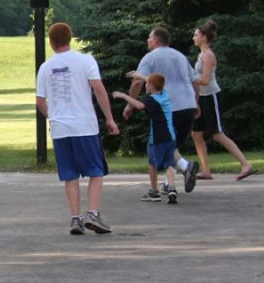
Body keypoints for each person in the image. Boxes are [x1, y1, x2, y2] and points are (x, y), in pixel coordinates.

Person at [36, 22, 120, 235]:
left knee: (70, 175)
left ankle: (75, 217)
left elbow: (40, 101)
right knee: (96, 171)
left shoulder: (46, 67)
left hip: (60, 129)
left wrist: (53, 117)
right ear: (70, 38)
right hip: (84, 125)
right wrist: (110, 118)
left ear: (51, 41)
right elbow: (99, 90)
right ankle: (93, 212)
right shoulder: (85, 60)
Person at [123, 26, 201, 193]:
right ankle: (168, 183)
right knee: (172, 144)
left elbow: (137, 81)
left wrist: (130, 105)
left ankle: (186, 167)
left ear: (156, 40)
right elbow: (194, 81)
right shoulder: (180, 56)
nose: (148, 40)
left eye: (150, 38)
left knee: (165, 144)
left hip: (168, 107)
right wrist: (195, 102)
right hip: (187, 105)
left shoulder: (150, 57)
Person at [191, 20, 256, 181]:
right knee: (196, 133)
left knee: (216, 134)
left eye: (196, 35)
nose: (194, 37)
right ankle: (206, 170)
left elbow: (205, 80)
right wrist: (195, 101)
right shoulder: (200, 55)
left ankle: (246, 164)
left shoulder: (209, 56)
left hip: (211, 97)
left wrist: (188, 78)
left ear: (204, 37)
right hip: (201, 98)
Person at [113, 73, 178, 204]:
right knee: (169, 163)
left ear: (152, 86)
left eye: (147, 84)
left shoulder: (151, 99)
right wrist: (138, 75)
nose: (145, 85)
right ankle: (171, 188)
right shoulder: (163, 94)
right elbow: (152, 81)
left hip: (157, 137)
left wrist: (124, 95)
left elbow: (139, 106)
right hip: (171, 136)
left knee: (152, 163)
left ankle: (154, 192)